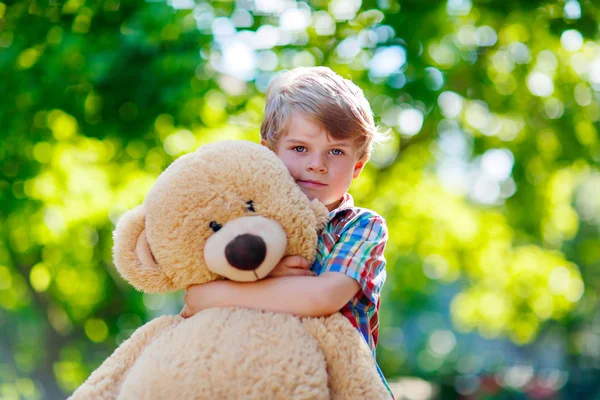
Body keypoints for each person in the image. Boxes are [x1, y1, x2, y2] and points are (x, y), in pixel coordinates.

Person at [181, 66, 391, 393]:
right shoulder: (247, 219)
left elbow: (324, 296)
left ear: (358, 167)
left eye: (336, 151)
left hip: (336, 385)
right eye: (299, 149)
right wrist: (264, 272)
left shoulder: (362, 226)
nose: (317, 164)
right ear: (268, 153)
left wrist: (213, 295)